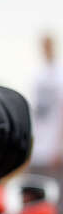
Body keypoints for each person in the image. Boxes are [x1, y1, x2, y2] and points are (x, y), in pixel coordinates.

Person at [30, 34, 63, 186]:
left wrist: (58, 147)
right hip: (38, 147)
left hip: (54, 147)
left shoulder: (59, 74)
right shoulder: (38, 74)